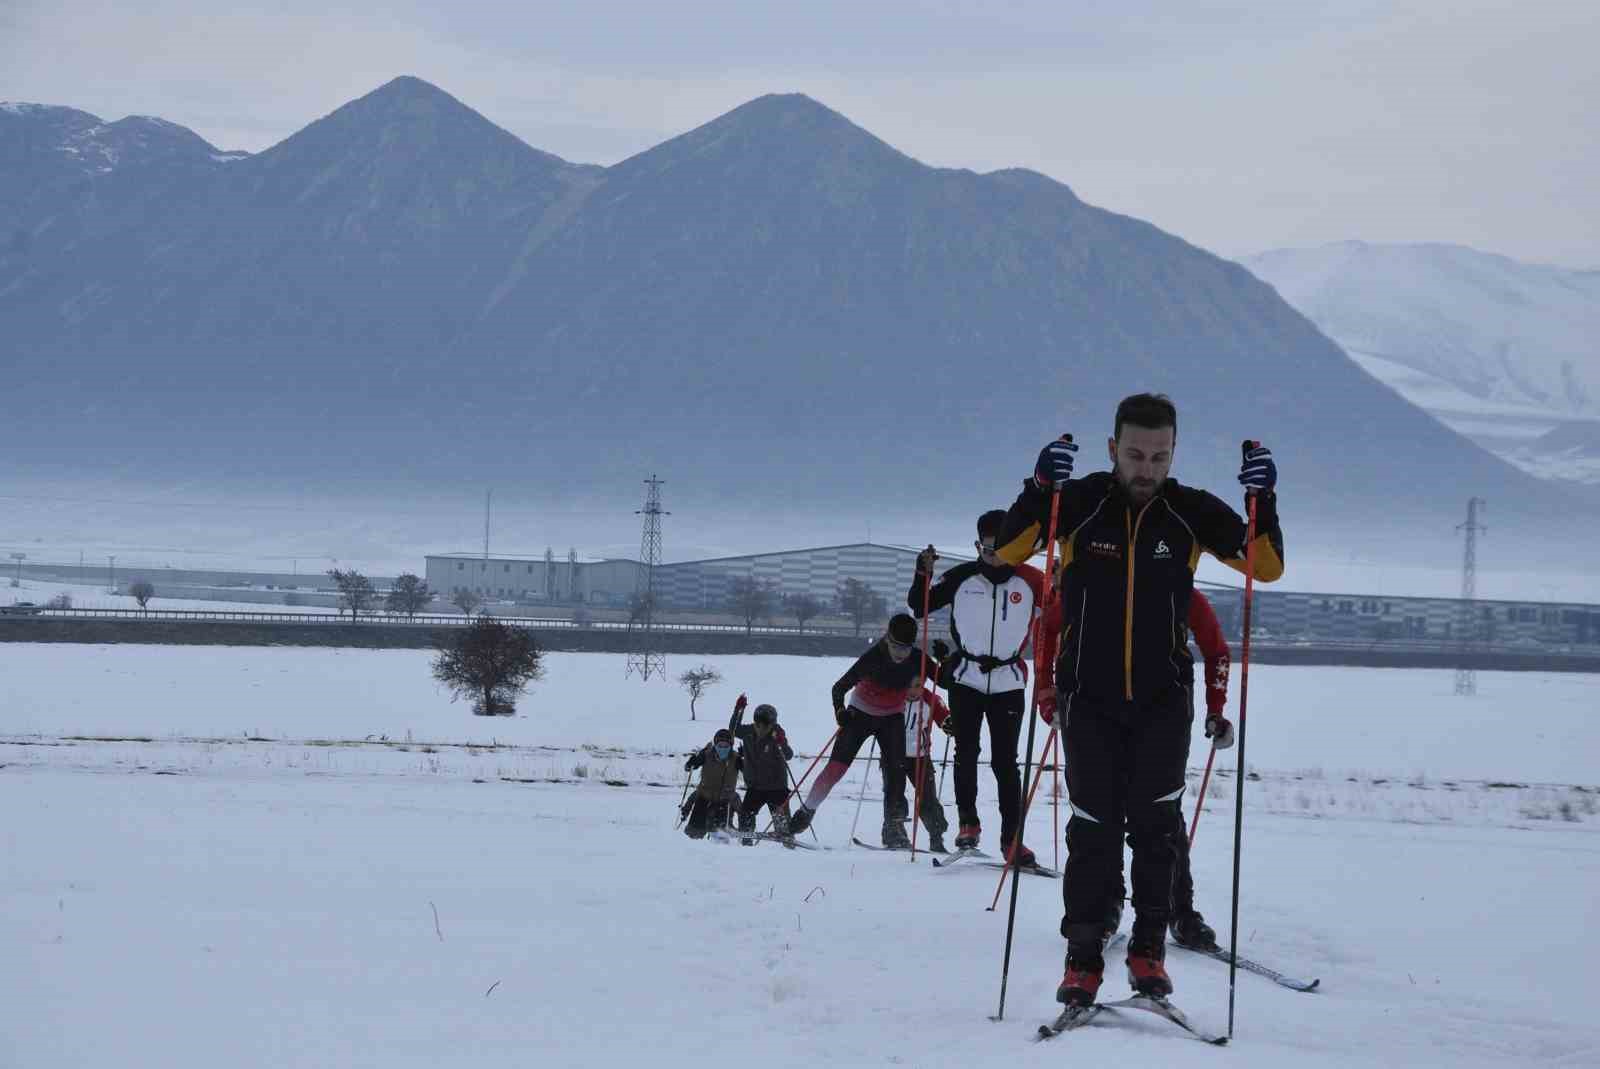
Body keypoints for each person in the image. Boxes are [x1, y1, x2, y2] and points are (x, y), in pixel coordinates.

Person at [996, 392, 1283, 1006]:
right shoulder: (1078, 504)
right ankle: (1082, 958)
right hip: (1089, 699)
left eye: (1158, 456)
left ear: (1173, 453)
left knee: (1157, 831)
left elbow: (1265, 565)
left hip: (1163, 701)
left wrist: (1265, 502)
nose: (1146, 468)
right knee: (1093, 830)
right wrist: (1040, 485)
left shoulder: (1190, 513)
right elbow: (1010, 548)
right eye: (1134, 455)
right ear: (1112, 451)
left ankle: (1148, 950)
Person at [1037, 587, 1235, 950]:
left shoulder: (1178, 586)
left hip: (1160, 712)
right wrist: (1046, 691)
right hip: (1092, 710)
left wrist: (1215, 708)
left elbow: (1217, 650)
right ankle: (1106, 908)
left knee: (1161, 818)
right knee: (1098, 815)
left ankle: (1178, 912)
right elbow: (1046, 628)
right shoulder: (1088, 584)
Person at [909, 511, 1045, 865]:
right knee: (965, 752)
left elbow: (1064, 612)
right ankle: (968, 823)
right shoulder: (963, 577)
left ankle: (1012, 839)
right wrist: (922, 572)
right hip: (966, 677)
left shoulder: (1030, 580)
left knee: (1006, 763)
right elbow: (919, 605)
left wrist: (1063, 582)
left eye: (998, 549)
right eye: (984, 549)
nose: (991, 556)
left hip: (1008, 681)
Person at [787, 613, 923, 847]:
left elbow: (946, 680)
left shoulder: (918, 659)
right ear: (887, 640)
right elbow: (838, 687)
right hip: (860, 713)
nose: (901, 655)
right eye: (896, 647)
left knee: (896, 772)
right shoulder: (873, 657)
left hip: (892, 717)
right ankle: (804, 814)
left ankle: (893, 828)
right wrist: (840, 712)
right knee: (836, 769)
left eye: (906, 649)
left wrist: (947, 661)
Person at [881, 639, 954, 852]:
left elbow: (944, 718)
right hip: (892, 754)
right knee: (894, 794)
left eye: (920, 685)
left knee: (929, 799)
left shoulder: (931, 700)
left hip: (920, 756)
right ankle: (894, 833)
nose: (916, 690)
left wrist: (951, 725)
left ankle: (936, 836)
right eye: (912, 686)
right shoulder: (893, 697)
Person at [735, 704, 796, 839]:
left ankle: (788, 844)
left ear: (772, 724)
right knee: (745, 815)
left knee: (783, 824)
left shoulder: (777, 733)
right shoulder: (748, 732)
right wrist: (738, 710)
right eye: (758, 724)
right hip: (755, 786)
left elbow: (789, 755)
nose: (761, 728)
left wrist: (781, 743)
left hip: (777, 787)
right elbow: (734, 729)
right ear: (755, 722)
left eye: (766, 725)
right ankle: (746, 844)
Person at [682, 728, 741, 839]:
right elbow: (688, 767)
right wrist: (692, 762)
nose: (722, 749)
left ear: (731, 746)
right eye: (720, 745)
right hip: (704, 797)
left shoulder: (736, 758)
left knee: (720, 837)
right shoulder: (706, 755)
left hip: (724, 801)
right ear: (715, 744)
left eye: (726, 746)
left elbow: (749, 772)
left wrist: (746, 759)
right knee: (693, 834)